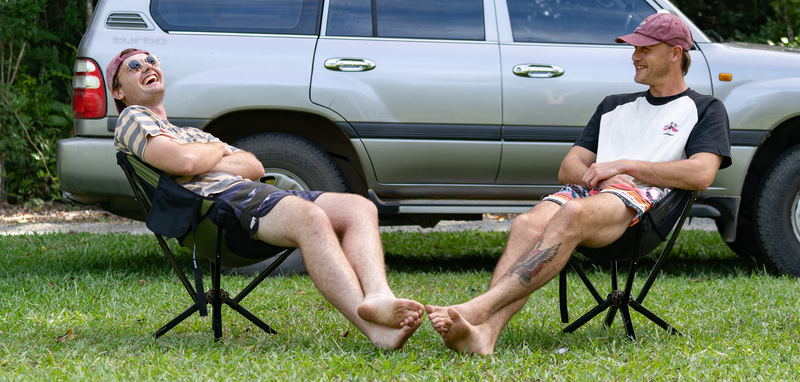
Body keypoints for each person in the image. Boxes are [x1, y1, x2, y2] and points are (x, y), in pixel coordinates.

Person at [425, 12, 732, 355]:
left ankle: (478, 308)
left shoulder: (705, 108)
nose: (635, 56)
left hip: (641, 208)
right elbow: (570, 166)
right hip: (590, 192)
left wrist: (625, 166)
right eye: (634, 49)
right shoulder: (613, 105)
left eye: (645, 49)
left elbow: (702, 173)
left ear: (675, 53)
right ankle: (485, 334)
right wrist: (600, 173)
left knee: (572, 213)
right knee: (527, 224)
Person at [107, 48, 424, 350]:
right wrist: (218, 150)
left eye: (151, 60)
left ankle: (379, 297)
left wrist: (202, 153)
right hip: (218, 209)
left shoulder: (192, 134)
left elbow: (253, 166)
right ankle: (376, 331)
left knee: (359, 208)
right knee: (309, 217)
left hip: (255, 195)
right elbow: (185, 164)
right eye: (134, 66)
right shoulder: (133, 117)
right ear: (119, 91)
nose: (147, 66)